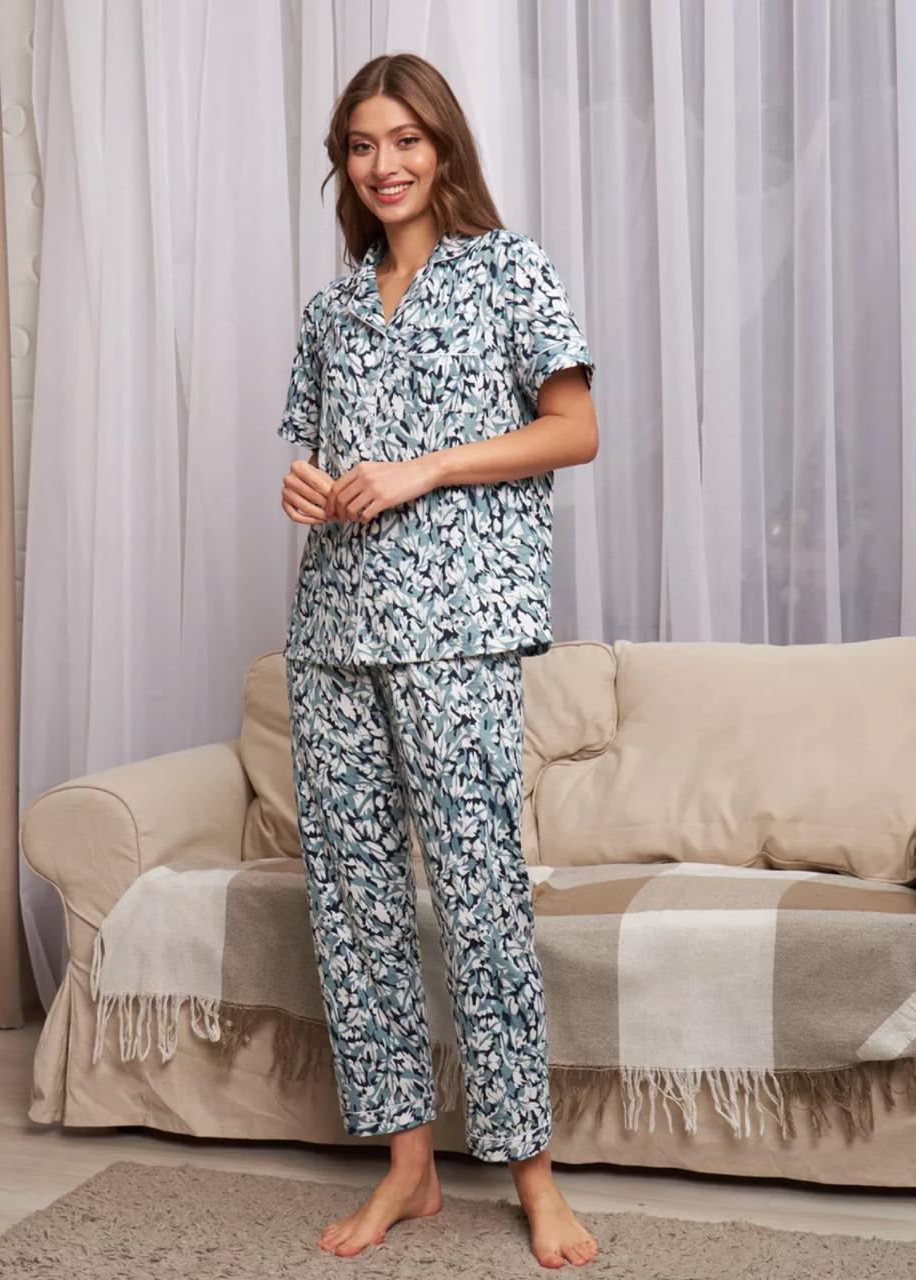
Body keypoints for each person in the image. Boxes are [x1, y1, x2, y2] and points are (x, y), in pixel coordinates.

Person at [277, 51, 600, 1270]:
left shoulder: (510, 269)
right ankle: (408, 1166)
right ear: (344, 166)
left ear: (444, 146)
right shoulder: (332, 309)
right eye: (362, 146)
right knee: (354, 901)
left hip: (458, 625)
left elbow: (575, 426)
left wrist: (427, 467)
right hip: (334, 631)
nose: (385, 164)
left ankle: (533, 1175)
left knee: (478, 896)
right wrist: (308, 485)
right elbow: (317, 455)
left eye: (405, 140)